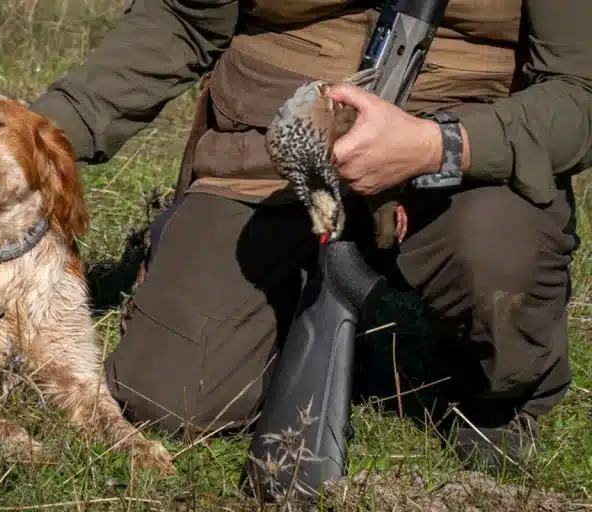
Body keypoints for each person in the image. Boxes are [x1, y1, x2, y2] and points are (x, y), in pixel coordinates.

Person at [30, 0, 592, 470]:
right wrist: (27, 143)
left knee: (495, 256)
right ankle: (280, 312)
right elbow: (180, 19)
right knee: (170, 397)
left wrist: (437, 145)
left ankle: (498, 398)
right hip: (270, 146)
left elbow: (579, 89)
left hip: (465, 150)